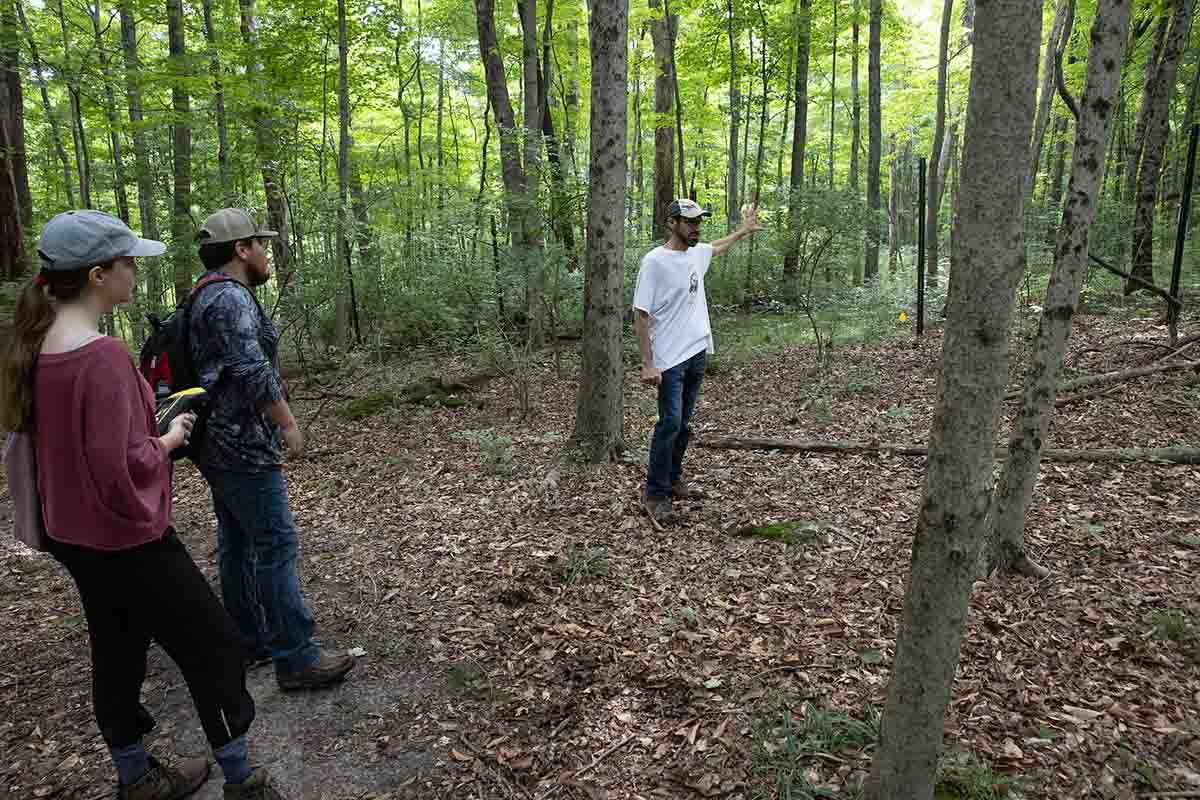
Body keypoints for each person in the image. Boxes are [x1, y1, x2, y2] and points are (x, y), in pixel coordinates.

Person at [0, 210, 284, 799]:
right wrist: (168, 440)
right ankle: (242, 779)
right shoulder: (98, 356)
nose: (135, 271)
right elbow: (118, 464)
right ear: (99, 274)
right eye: (128, 262)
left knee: (118, 648)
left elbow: (57, 451)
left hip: (74, 536)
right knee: (215, 647)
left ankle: (135, 777)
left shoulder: (37, 347)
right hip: (126, 536)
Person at [189, 208, 354, 691]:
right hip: (241, 444)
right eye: (260, 244)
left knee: (238, 542)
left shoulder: (206, 294)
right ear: (241, 250)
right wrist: (288, 423)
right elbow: (251, 368)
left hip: (216, 443)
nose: (266, 253)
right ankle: (296, 658)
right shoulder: (230, 299)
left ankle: (250, 639)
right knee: (275, 544)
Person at [634, 199, 763, 524]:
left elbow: (716, 246)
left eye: (699, 222)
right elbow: (640, 314)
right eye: (690, 222)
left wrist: (743, 232)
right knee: (670, 423)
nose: (696, 228)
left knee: (684, 425)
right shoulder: (654, 262)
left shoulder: (695, 253)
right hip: (669, 360)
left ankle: (673, 479)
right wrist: (648, 363)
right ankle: (655, 494)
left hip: (696, 353)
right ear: (673, 222)